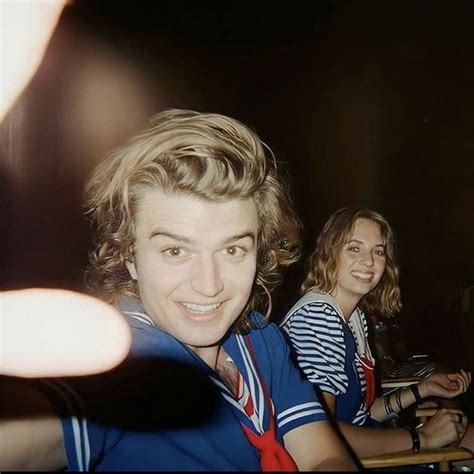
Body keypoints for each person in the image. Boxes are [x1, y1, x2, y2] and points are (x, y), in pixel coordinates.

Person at [1, 109, 358, 471]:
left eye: (232, 250)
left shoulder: (262, 339)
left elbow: (323, 456)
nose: (209, 285)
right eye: (176, 251)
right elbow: (31, 434)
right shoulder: (121, 361)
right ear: (129, 256)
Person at [281, 207, 474, 460]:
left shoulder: (354, 317)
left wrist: (422, 390)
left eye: (378, 251)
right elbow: (318, 436)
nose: (369, 261)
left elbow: (363, 415)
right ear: (329, 253)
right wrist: (422, 439)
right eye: (354, 248)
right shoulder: (319, 317)